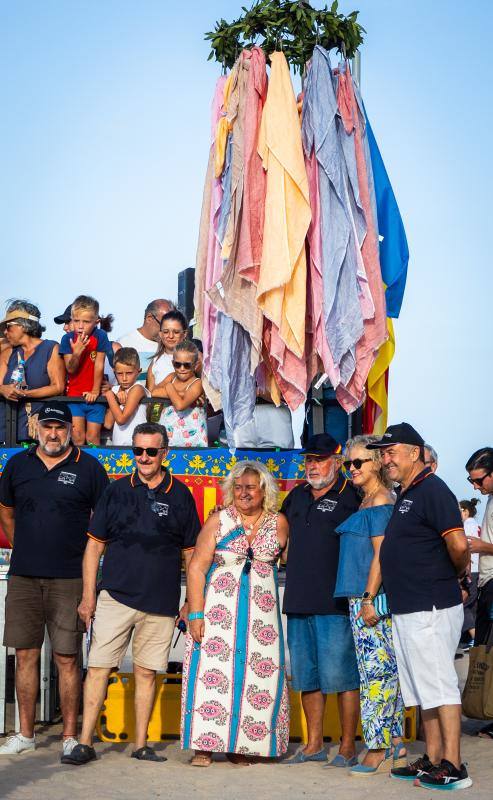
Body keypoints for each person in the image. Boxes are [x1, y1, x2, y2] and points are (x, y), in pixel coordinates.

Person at [63, 422, 200, 766]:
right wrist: (89, 596)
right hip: (114, 597)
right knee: (97, 668)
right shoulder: (115, 490)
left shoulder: (181, 495)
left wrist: (190, 603)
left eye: (151, 451)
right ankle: (84, 743)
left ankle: (141, 745)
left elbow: (191, 555)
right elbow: (94, 548)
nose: (143, 458)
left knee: (146, 673)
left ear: (164, 453)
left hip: (161, 602)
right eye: (137, 451)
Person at [0, 402, 109, 757]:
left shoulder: (89, 468)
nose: (53, 433)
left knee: (67, 658)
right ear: (36, 428)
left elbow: (103, 522)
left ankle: (68, 737)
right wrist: (25, 548)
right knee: (25, 654)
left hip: (69, 578)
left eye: (59, 427)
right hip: (24, 577)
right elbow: (6, 511)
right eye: (47, 426)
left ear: (70, 430)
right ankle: (26, 734)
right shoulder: (17, 464)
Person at [370, 423, 471, 790]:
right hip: (408, 606)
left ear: (415, 452)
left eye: (391, 451)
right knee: (422, 688)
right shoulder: (408, 492)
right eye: (382, 453)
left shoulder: (433, 490)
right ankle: (432, 758)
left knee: (440, 686)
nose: (385, 459)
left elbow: (459, 546)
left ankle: (454, 765)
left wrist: (457, 578)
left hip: (430, 605)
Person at [181, 460, 289, 766]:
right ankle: (204, 747)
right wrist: (196, 614)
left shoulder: (278, 522)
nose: (243, 493)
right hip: (219, 613)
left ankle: (243, 746)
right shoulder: (219, 521)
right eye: (238, 487)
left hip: (262, 618)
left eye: (250, 487)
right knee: (212, 677)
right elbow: (197, 567)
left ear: (264, 490)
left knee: (259, 677)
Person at [281, 433, 361, 766]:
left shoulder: (353, 496)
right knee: (307, 677)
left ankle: (346, 746)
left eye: (321, 460)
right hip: (298, 599)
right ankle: (314, 745)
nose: (313, 466)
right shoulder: (296, 496)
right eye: (309, 460)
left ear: (337, 461)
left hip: (336, 602)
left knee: (342, 678)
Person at [334, 435, 406, 776]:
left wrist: (367, 599)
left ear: (376, 462)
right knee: (380, 672)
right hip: (364, 597)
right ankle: (395, 743)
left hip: (372, 599)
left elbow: (382, 554)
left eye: (358, 462)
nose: (352, 468)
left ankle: (377, 748)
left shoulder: (379, 501)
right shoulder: (368, 501)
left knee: (375, 675)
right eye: (348, 463)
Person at [0, 301, 65, 443]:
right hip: (5, 429)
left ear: (22, 325)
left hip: (35, 431)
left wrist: (25, 394)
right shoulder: (8, 352)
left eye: (8, 327)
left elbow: (58, 387)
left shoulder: (51, 348)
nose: (5, 332)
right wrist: (3, 389)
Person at [465, 447, 493, 740]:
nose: (475, 486)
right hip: (486, 583)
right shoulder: (490, 499)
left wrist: (481, 547)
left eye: (479, 480)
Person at [59, 295, 111, 446]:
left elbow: (99, 364)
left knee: (93, 438)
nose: (80, 326)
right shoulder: (67, 339)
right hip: (74, 396)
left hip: (95, 398)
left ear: (96, 322)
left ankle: (95, 468)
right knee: (77, 438)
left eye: (86, 322)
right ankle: (79, 468)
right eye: (76, 321)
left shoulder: (100, 336)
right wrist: (77, 352)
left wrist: (95, 391)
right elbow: (70, 369)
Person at [150, 340, 207, 448]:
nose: (181, 369)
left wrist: (169, 387)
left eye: (187, 365)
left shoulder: (197, 383)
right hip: (168, 439)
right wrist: (181, 394)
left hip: (193, 441)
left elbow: (180, 405)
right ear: (173, 363)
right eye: (178, 364)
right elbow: (154, 392)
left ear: (195, 365)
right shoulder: (171, 376)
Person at [118, 298, 175, 384]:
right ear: (149, 318)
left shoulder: (173, 346)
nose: (169, 333)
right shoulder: (122, 344)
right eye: (164, 326)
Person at [103, 348, 148, 445]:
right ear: (114, 371)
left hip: (138, 446)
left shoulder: (138, 388)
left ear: (138, 371)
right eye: (119, 374)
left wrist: (110, 396)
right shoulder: (115, 390)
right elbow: (108, 423)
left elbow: (121, 419)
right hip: (118, 445)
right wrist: (115, 400)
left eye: (129, 373)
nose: (124, 378)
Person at [146, 310, 188, 395]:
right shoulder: (155, 362)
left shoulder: (196, 357)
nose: (171, 336)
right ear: (160, 334)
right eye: (166, 332)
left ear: (184, 334)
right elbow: (150, 395)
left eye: (176, 332)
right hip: (163, 407)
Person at [459, 498, 481, 648]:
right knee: (473, 605)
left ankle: (474, 637)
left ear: (465, 511)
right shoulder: (477, 525)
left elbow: (464, 547)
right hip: (479, 568)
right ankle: (474, 637)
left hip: (471, 570)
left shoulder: (467, 526)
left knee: (464, 604)